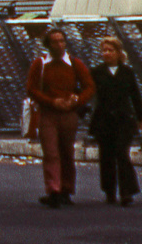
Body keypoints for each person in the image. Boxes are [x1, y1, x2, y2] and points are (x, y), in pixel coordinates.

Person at [26, 27, 94, 207]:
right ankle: (54, 189)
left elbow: (89, 86)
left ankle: (67, 188)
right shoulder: (40, 64)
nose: (59, 45)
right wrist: (51, 101)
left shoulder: (74, 64)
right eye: (55, 41)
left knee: (66, 151)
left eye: (62, 41)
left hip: (69, 112)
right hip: (48, 112)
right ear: (48, 45)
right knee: (51, 152)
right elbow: (31, 89)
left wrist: (77, 99)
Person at [89, 36, 142, 206]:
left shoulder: (127, 72)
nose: (107, 54)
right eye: (104, 50)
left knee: (122, 154)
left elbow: (135, 95)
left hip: (123, 119)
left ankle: (126, 191)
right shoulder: (96, 72)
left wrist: (141, 117)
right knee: (106, 156)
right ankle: (109, 190)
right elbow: (89, 93)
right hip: (104, 120)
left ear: (118, 52)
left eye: (110, 50)